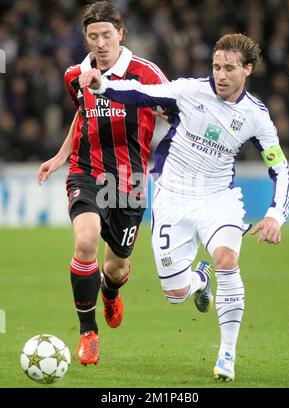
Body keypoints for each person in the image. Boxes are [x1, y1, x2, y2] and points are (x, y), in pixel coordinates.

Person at [78, 33, 289, 381]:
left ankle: (227, 355)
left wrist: (274, 216)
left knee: (228, 259)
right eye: (216, 66)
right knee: (175, 293)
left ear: (248, 70)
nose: (220, 75)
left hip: (217, 198)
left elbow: (280, 168)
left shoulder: (256, 116)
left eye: (229, 69)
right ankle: (199, 279)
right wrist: (102, 86)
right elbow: (140, 92)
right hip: (172, 195)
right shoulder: (191, 90)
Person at [37, 1, 168, 366]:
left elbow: (175, 109)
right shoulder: (74, 74)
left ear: (121, 34)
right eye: (92, 36)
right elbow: (82, 114)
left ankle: (110, 291)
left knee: (117, 268)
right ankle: (87, 332)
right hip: (87, 170)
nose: (99, 42)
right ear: (86, 38)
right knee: (85, 241)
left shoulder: (146, 73)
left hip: (130, 179)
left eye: (106, 35)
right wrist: (62, 155)